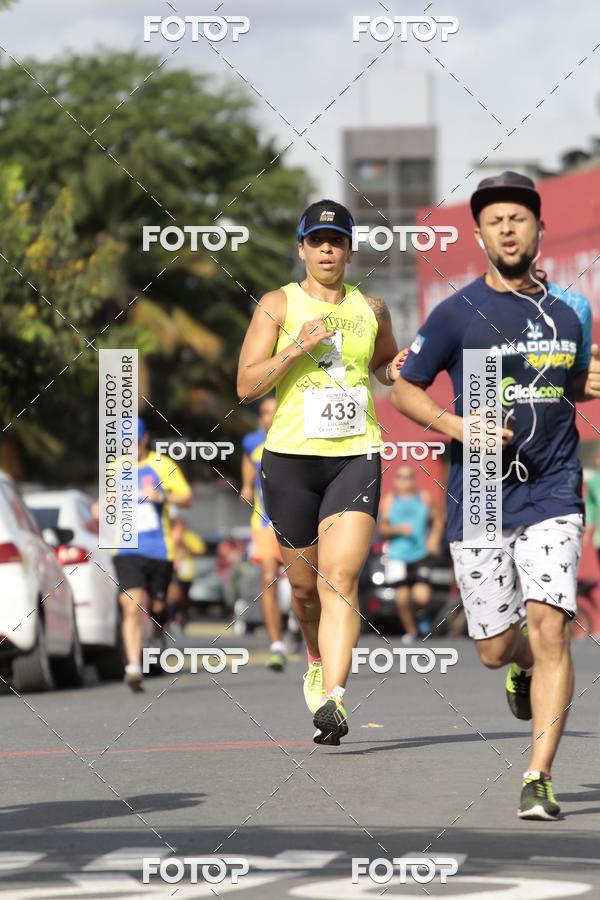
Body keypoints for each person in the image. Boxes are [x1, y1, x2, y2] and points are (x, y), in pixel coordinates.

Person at [392, 171, 600, 819]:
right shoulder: (456, 313)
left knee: (552, 628)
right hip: (479, 489)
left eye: (519, 217)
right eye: (495, 220)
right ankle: (518, 667)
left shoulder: (571, 311)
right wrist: (457, 425)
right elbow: (406, 388)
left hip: (554, 489)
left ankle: (537, 775)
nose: (508, 228)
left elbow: (571, 386)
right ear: (480, 234)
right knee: (492, 648)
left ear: (538, 228)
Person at [237, 198, 406, 744]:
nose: (327, 249)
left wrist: (394, 368)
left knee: (342, 578)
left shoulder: (373, 308)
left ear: (350, 250)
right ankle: (314, 656)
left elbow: (383, 366)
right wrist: (295, 350)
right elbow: (245, 385)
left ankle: (334, 697)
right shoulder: (277, 306)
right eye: (317, 241)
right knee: (305, 590)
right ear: (302, 248)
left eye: (337, 241)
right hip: (289, 460)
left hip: (355, 454)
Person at [113, 417, 193, 691]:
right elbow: (103, 505)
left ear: (144, 439)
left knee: (157, 608)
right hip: (127, 550)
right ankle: (134, 667)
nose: (129, 448)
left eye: (133, 442)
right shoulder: (115, 468)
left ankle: (159, 630)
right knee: (132, 605)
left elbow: (187, 498)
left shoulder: (162, 465)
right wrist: (102, 508)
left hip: (160, 551)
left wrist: (162, 497)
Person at [241, 395, 288, 671]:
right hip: (265, 522)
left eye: (274, 410)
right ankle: (276, 645)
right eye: (265, 412)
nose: (270, 416)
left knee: (302, 585)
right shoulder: (252, 446)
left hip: (297, 522)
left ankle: (300, 629)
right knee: (269, 578)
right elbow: (247, 483)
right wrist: (247, 489)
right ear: (262, 418)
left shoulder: (297, 439)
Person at [378, 463, 445, 643]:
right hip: (397, 555)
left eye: (408, 477)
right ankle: (412, 631)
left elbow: (438, 519)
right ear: (395, 481)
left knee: (422, 597)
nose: (405, 481)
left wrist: (434, 539)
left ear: (414, 480)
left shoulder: (424, 498)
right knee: (402, 598)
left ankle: (422, 615)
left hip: (420, 553)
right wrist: (398, 529)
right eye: (401, 477)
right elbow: (382, 528)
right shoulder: (390, 501)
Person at [166, 516, 206, 633]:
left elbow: (201, 550)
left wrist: (184, 545)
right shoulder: (169, 536)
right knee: (173, 596)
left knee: (183, 598)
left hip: (187, 574)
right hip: (173, 572)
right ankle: (171, 619)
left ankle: (181, 619)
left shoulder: (190, 537)